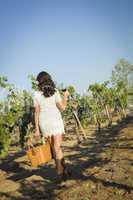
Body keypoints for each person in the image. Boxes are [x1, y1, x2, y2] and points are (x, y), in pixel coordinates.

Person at [33, 71, 70, 181]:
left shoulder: (36, 94)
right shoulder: (55, 92)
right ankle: (60, 171)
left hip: (44, 124)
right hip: (56, 122)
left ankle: (64, 171)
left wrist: (37, 129)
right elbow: (63, 108)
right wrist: (66, 96)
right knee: (57, 147)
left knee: (55, 148)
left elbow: (36, 112)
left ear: (40, 81)